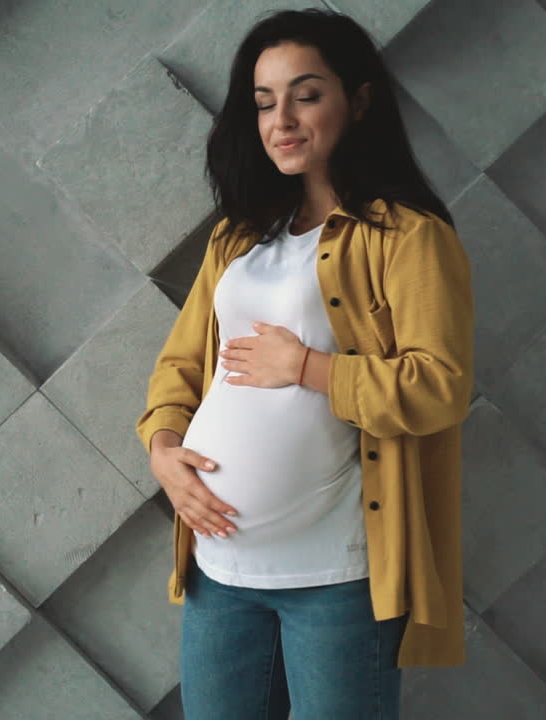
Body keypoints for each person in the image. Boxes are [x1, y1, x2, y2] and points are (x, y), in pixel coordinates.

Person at [135, 8, 474, 719]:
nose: (281, 119)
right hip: (219, 575)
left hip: (337, 579)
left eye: (305, 94)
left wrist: (309, 367)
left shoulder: (408, 236)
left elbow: (440, 388)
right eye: (263, 102)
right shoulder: (239, 235)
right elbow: (180, 369)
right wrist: (164, 451)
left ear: (358, 99)